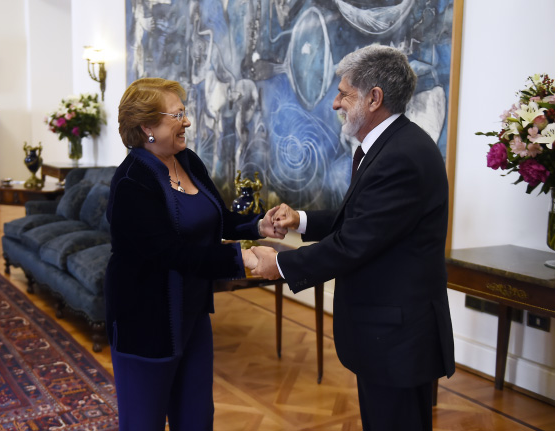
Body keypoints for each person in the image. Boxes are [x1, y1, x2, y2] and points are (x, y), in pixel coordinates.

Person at [249, 45, 455, 431]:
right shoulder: (390, 146)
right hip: (388, 335)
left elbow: (353, 244)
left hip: (398, 339)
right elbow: (363, 223)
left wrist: (278, 264)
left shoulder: (401, 157)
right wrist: (301, 220)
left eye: (344, 93)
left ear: (374, 97)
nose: (334, 103)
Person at [104, 77, 280, 430]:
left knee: (197, 419)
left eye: (184, 112)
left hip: (193, 316)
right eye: (177, 115)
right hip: (147, 322)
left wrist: (258, 225)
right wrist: (240, 259)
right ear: (147, 127)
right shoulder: (131, 183)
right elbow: (169, 253)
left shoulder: (187, 160)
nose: (186, 121)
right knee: (144, 422)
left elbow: (216, 216)